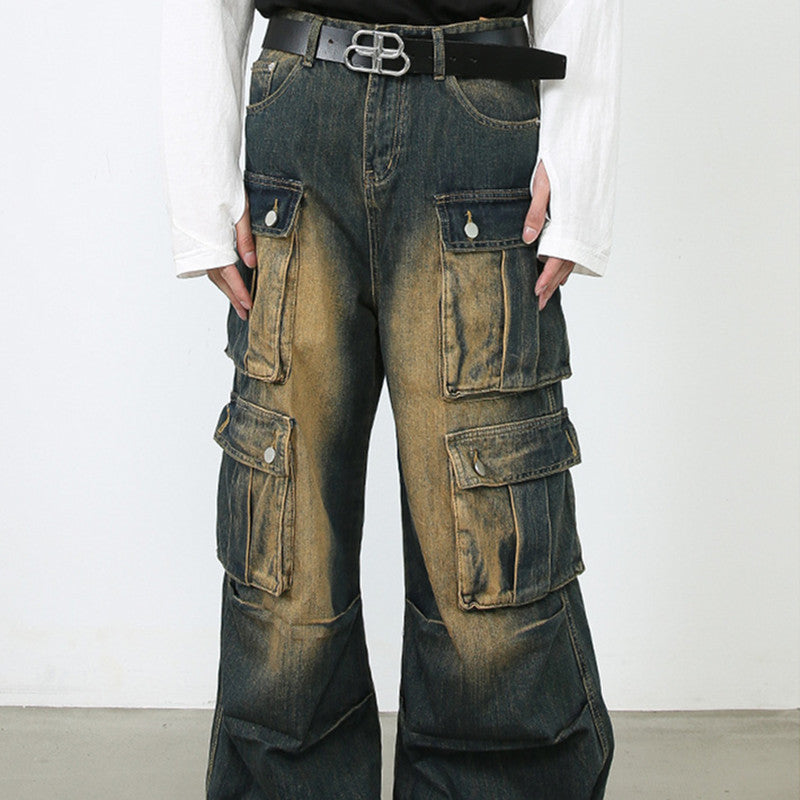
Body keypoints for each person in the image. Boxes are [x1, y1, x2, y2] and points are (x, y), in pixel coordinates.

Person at [159, 1, 622, 797]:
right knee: (286, 534)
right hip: (300, 110)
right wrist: (201, 183)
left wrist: (578, 163)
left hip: (477, 117)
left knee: (485, 527)